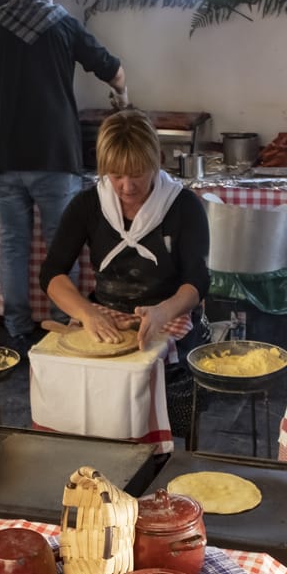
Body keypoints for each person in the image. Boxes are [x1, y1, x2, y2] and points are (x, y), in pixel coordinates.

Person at [0, 0, 127, 353]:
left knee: (13, 244)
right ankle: (63, 322)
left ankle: (16, 327)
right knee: (59, 246)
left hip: (1, 155)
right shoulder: (62, 22)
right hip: (53, 154)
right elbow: (113, 69)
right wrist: (122, 94)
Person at [39, 108, 210, 433]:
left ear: (156, 161)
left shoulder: (183, 206)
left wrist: (162, 312)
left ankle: (168, 456)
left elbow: (197, 281)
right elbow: (53, 273)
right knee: (92, 412)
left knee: (170, 405)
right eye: (116, 175)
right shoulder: (88, 205)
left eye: (137, 173)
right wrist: (87, 313)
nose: (127, 186)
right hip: (105, 314)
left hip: (172, 314)